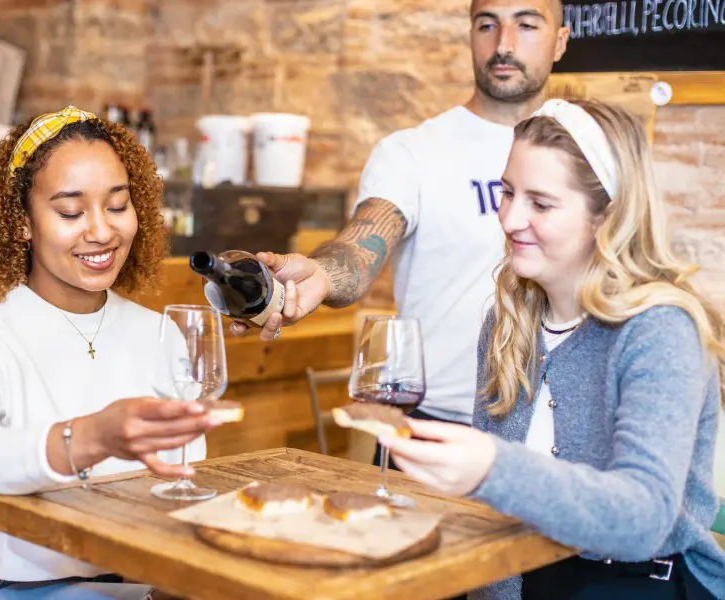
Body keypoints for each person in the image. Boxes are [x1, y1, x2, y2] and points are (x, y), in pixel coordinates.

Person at [379, 99, 725, 600]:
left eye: (541, 204)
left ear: (608, 216)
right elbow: (497, 523)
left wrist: (492, 468)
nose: (511, 219)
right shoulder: (508, 319)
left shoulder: (660, 330)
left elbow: (644, 518)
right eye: (507, 193)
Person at [231, 0, 571, 440]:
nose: (503, 44)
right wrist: (321, 275)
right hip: (434, 428)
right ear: (469, 34)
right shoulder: (413, 153)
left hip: (552, 434)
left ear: (560, 41)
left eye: (526, 25)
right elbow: (359, 247)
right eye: (487, 24)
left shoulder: (587, 155)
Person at [0, 106, 220, 599]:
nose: (101, 231)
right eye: (70, 212)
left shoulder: (160, 333)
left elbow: (180, 476)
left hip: (128, 582)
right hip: (4, 586)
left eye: (118, 205)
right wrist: (89, 437)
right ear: (22, 222)